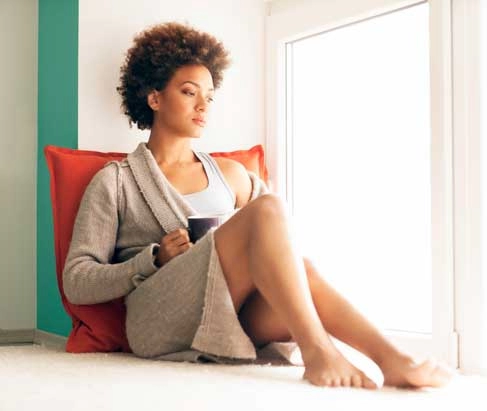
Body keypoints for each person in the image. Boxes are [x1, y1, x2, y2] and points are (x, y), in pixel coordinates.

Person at [63, 21, 453, 389]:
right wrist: (151, 259)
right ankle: (319, 353)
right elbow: (77, 280)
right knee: (267, 209)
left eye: (209, 95)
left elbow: (278, 248)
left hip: (226, 312)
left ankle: (392, 360)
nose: (203, 104)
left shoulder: (231, 174)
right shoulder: (116, 181)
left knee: (302, 268)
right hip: (159, 319)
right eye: (188, 91)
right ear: (154, 98)